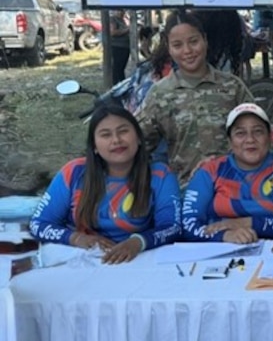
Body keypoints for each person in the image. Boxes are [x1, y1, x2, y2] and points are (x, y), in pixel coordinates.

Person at [29, 104, 181, 264]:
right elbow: (39, 224)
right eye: (106, 135)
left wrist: (137, 243)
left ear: (138, 138)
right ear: (94, 146)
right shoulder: (74, 172)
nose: (116, 140)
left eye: (123, 131)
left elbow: (172, 227)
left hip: (137, 259)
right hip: (83, 258)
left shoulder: (160, 174)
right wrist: (76, 238)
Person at [136, 10, 254, 187]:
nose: (188, 51)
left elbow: (258, 135)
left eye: (194, 42)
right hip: (186, 192)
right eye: (177, 45)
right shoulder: (160, 94)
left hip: (237, 188)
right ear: (168, 48)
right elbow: (138, 143)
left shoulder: (232, 87)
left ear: (205, 40)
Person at [182, 103, 273, 243]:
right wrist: (224, 236)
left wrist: (247, 223)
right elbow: (188, 225)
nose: (250, 139)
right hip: (219, 252)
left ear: (269, 137)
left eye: (258, 131)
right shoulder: (210, 171)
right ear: (229, 141)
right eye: (240, 133)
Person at [109, 8, 131, 85]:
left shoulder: (124, 20)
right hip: (118, 46)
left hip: (126, 46)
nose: (121, 13)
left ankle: (122, 83)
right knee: (117, 68)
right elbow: (113, 32)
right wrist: (127, 30)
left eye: (123, 11)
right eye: (119, 11)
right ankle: (116, 84)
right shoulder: (113, 19)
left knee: (122, 68)